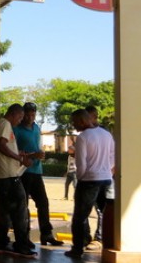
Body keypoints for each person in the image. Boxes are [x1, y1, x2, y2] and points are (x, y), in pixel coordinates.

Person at [64, 109, 114, 259]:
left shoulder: (83, 137)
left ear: (81, 121)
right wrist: (106, 171)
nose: (74, 124)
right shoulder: (106, 134)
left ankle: (77, 249)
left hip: (88, 181)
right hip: (106, 179)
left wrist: (81, 178)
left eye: (74, 121)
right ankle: (107, 244)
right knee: (104, 213)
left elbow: (81, 163)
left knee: (79, 217)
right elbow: (113, 156)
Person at [13, 102, 63, 247]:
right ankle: (24, 236)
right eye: (27, 114)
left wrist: (40, 154)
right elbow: (14, 152)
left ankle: (46, 234)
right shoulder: (16, 130)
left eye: (33, 114)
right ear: (22, 115)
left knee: (43, 203)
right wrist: (32, 155)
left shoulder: (37, 128)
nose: (30, 117)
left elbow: (37, 147)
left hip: (37, 171)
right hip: (23, 172)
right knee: (24, 205)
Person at [0, 103, 37, 258]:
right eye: (20, 117)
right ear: (14, 114)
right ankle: (21, 246)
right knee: (20, 209)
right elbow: (1, 146)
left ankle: (2, 243)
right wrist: (19, 158)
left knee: (3, 211)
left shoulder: (0, 124)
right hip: (9, 176)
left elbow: (4, 147)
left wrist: (20, 154)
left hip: (3, 176)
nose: (20, 121)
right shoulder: (5, 124)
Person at [84, 105, 115, 251]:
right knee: (85, 208)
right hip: (91, 176)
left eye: (86, 118)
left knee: (101, 209)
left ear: (94, 117)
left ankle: (99, 238)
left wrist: (109, 171)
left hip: (102, 177)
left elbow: (112, 155)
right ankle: (85, 237)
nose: (83, 121)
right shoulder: (86, 133)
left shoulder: (104, 133)